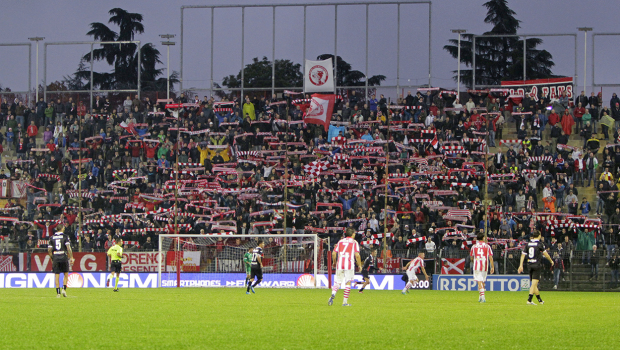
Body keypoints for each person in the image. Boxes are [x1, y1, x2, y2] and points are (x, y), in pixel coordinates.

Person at [518, 230, 554, 305]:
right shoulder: (539, 244)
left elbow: (523, 255)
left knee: (534, 284)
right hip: (536, 265)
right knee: (534, 284)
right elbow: (546, 254)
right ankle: (529, 300)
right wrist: (551, 261)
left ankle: (540, 300)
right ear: (539, 236)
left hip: (529, 265)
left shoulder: (528, 244)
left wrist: (521, 265)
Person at [328, 229, 362, 306]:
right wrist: (359, 265)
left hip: (340, 264)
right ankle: (345, 302)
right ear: (353, 234)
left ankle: (332, 295)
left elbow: (333, 253)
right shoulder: (354, 242)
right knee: (348, 282)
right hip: (349, 264)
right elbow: (357, 255)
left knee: (337, 282)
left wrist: (334, 262)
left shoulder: (340, 241)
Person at [47, 224, 74, 298]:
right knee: (66, 274)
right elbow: (68, 248)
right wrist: (71, 257)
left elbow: (49, 250)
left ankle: (58, 293)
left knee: (57, 275)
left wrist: (52, 258)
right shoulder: (65, 236)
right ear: (62, 229)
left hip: (55, 256)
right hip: (63, 256)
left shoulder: (51, 237)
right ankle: (64, 289)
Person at [470, 232, 494, 303]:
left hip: (477, 265)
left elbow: (471, 257)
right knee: (482, 281)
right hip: (485, 265)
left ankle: (482, 297)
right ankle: (480, 297)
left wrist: (474, 261)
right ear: (483, 238)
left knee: (479, 281)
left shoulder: (474, 246)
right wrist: (492, 267)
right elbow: (490, 257)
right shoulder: (487, 246)